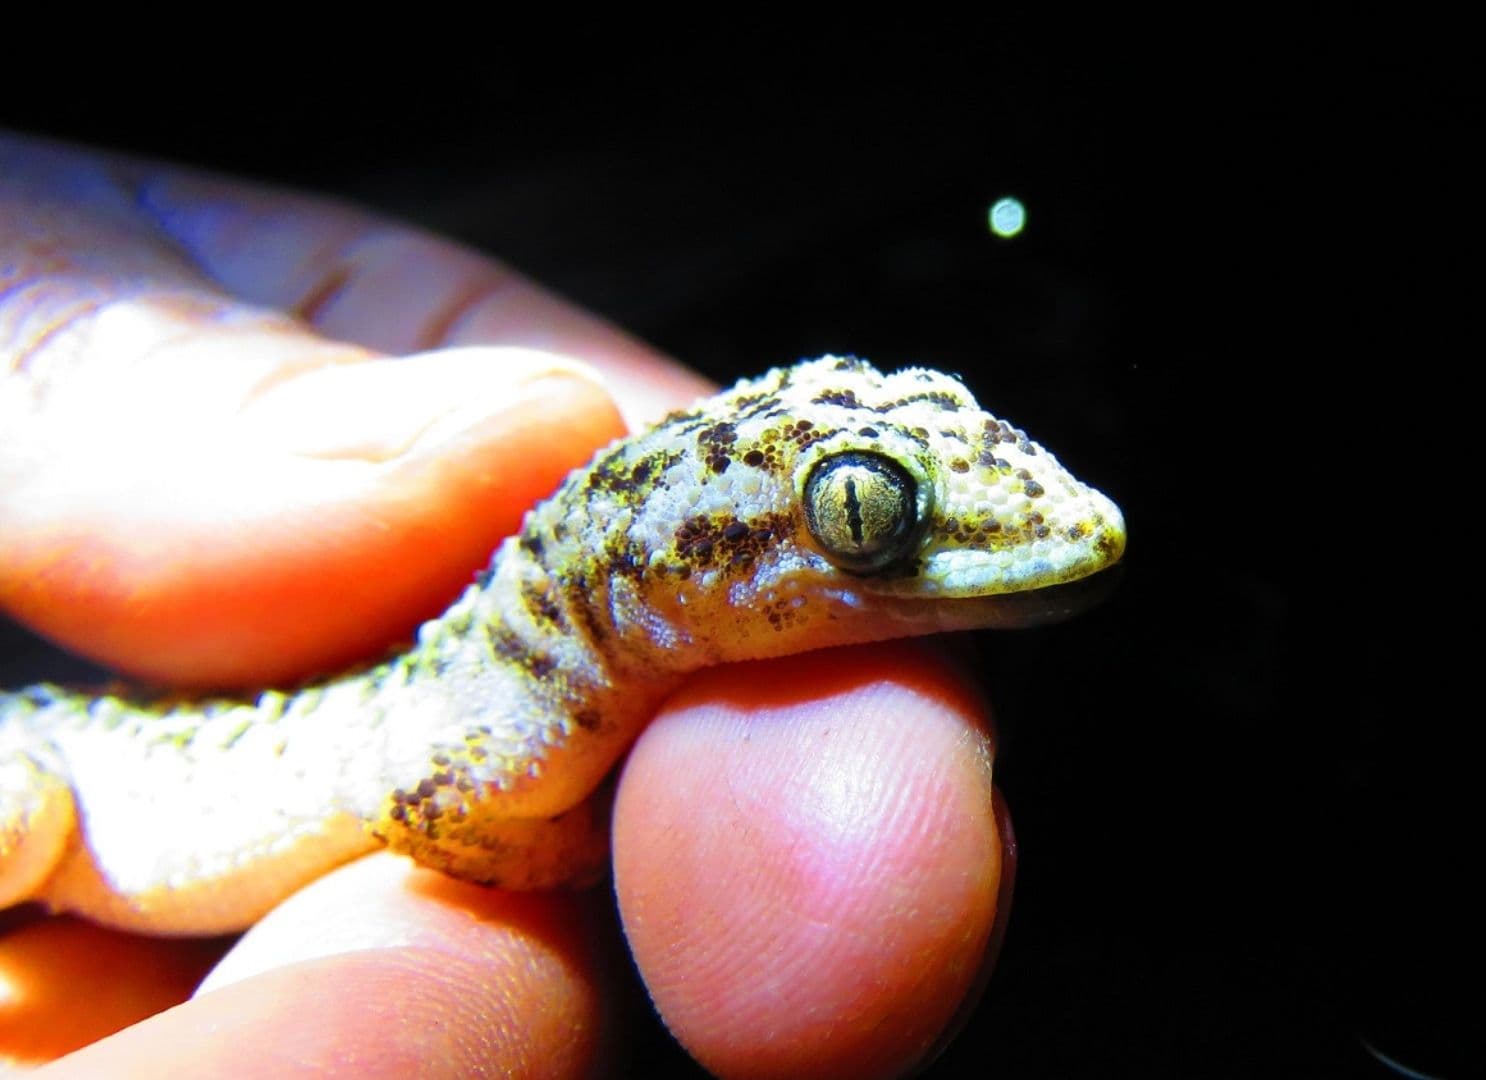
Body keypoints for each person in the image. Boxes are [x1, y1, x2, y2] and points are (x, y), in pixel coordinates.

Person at [0, 132, 1011, 1077]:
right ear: (672, 572)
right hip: (67, 773)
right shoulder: (522, 707)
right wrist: (575, 856)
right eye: (863, 512)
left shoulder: (576, 671)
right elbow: (422, 808)